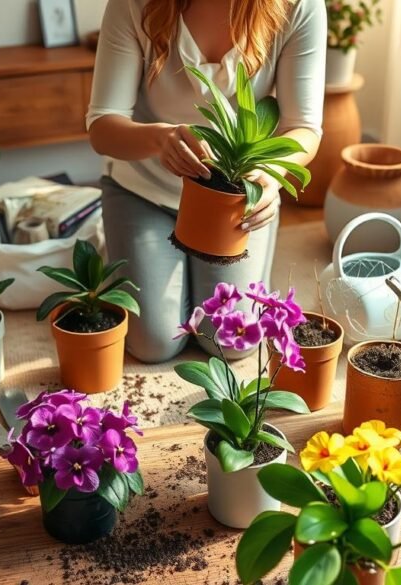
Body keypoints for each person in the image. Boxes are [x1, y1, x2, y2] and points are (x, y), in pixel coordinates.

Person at [86, 0, 325, 363]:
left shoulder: (297, 6)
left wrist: (269, 179)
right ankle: (122, 248)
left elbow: (304, 128)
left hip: (233, 202)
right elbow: (102, 125)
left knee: (230, 342)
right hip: (143, 190)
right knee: (155, 343)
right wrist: (160, 140)